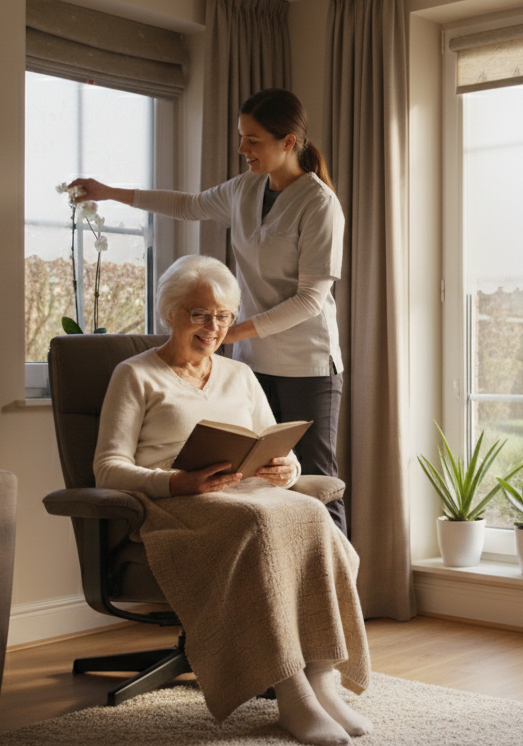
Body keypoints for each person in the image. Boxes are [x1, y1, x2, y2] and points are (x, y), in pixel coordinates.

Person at [93, 255, 369, 746]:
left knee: (310, 509)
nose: (214, 327)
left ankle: (322, 681)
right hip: (175, 504)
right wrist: (179, 482)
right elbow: (107, 467)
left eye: (223, 316)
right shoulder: (135, 375)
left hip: (247, 493)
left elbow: (278, 446)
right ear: (170, 313)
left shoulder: (239, 374)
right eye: (200, 314)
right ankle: (292, 696)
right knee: (256, 523)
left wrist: (287, 470)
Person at [71, 88, 349, 534]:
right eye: (241, 136)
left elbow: (311, 299)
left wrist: (228, 333)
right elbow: (187, 205)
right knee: (248, 477)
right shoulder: (245, 188)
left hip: (305, 361)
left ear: (288, 142)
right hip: (254, 359)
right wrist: (109, 193)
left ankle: (337, 572)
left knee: (314, 482)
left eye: (253, 140)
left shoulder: (319, 204)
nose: (242, 149)